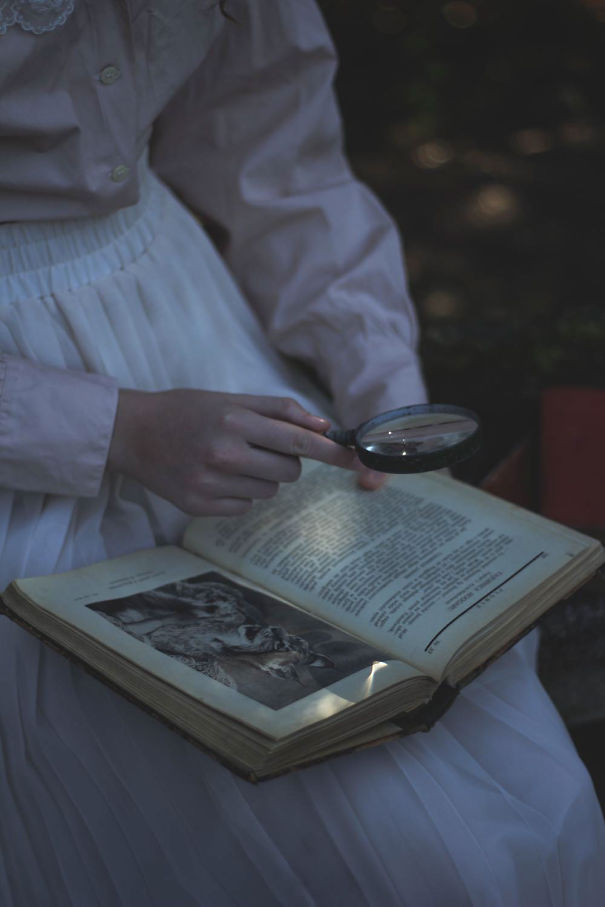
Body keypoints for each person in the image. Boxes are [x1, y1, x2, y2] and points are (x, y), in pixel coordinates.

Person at [0, 2, 603, 905]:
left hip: (183, 324)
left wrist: (381, 384)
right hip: (31, 412)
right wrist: (112, 428)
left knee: (486, 786)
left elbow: (273, 149)